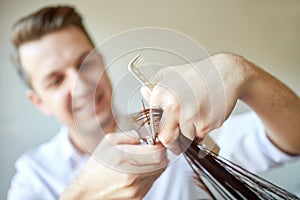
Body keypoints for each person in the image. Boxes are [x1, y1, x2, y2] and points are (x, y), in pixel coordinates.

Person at [7, 5, 300, 200]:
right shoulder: (34, 177)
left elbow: (293, 138)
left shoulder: (173, 129)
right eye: (56, 81)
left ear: (103, 62)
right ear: (39, 102)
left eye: (86, 63)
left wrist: (243, 73)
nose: (81, 84)